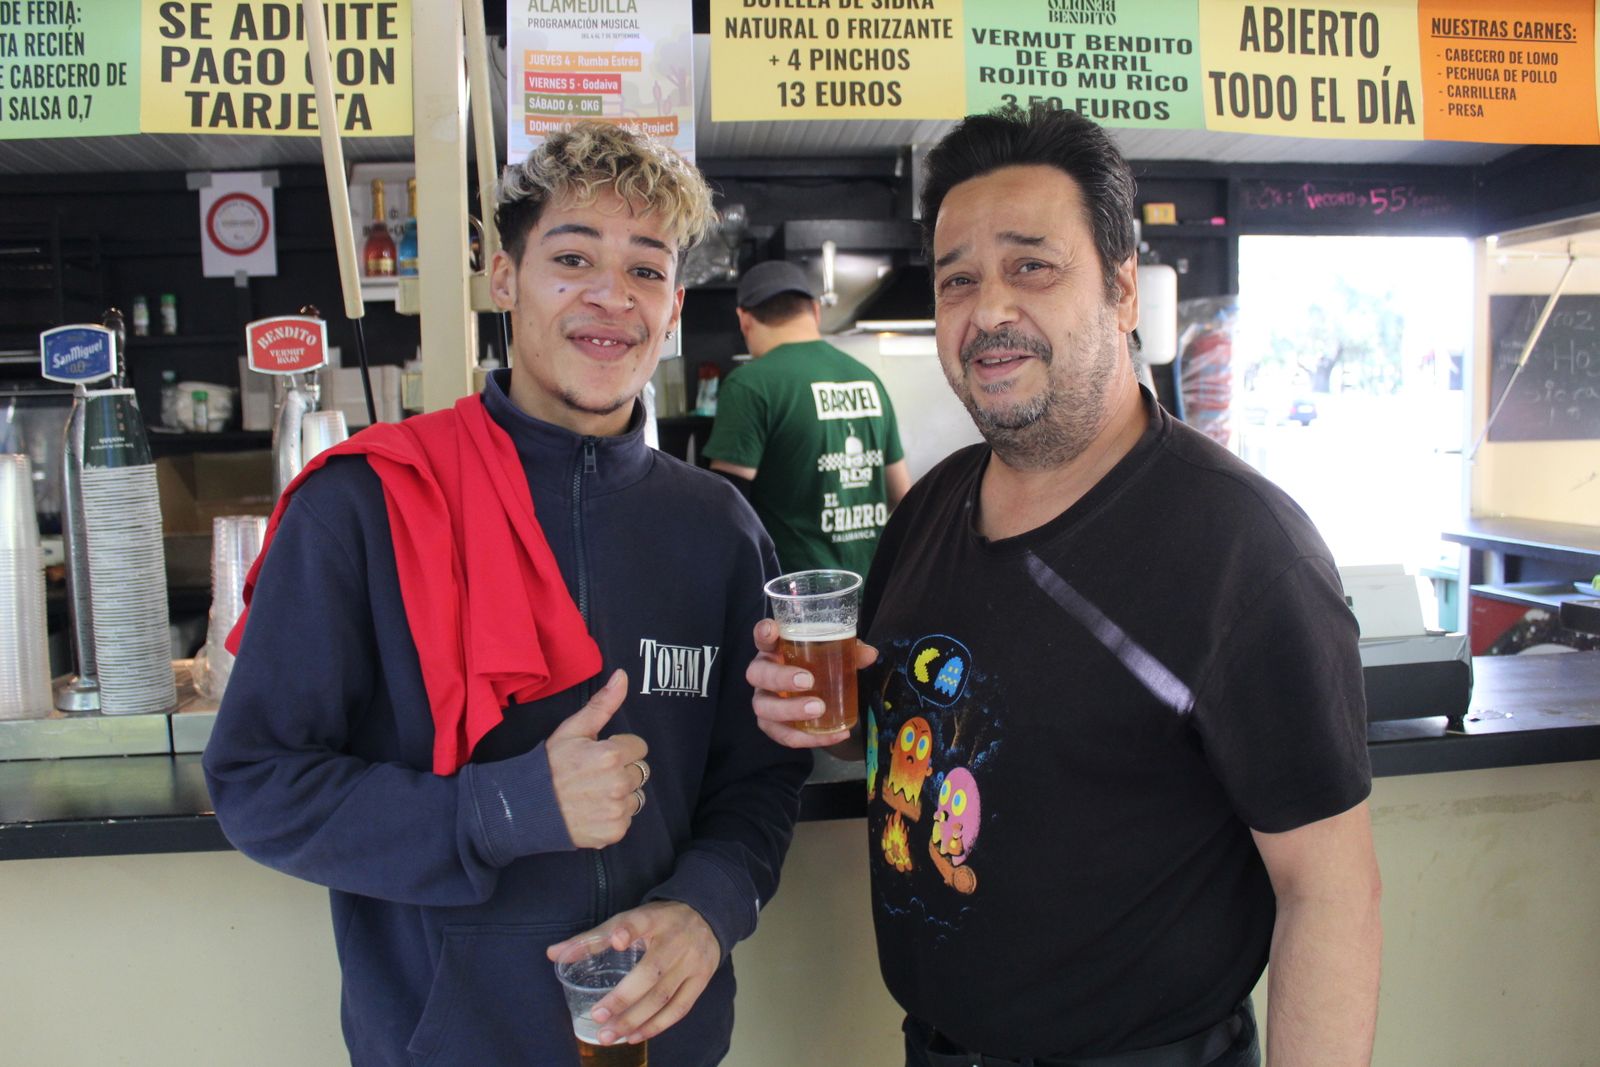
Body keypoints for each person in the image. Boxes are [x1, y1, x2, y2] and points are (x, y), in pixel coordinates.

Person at [746, 105, 1382, 1067]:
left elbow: (1330, 892)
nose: (989, 310)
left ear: (1122, 290)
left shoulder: (1243, 551)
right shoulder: (930, 509)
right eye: (958, 280)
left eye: (1031, 266)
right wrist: (817, 712)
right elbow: (912, 726)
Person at [203, 122, 811, 1067]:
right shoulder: (366, 504)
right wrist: (503, 809)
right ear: (502, 279)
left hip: (665, 1042)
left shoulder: (719, 530)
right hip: (443, 1043)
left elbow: (760, 778)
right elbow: (256, 783)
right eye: (572, 258)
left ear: (674, 308)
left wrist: (708, 907)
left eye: (646, 270)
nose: (611, 296)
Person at [703, 258, 911, 575]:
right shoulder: (868, 379)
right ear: (815, 311)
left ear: (744, 319)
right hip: (872, 589)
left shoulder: (750, 384)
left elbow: (725, 512)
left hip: (795, 594)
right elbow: (902, 496)